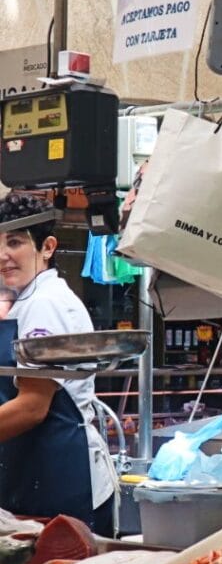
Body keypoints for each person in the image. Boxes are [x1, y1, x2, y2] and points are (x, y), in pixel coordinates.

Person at [0, 193, 116, 536]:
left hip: (64, 476)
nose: (3, 256)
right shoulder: (27, 301)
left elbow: (33, 407)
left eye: (15, 242)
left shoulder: (46, 304)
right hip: (37, 471)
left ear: (47, 247)